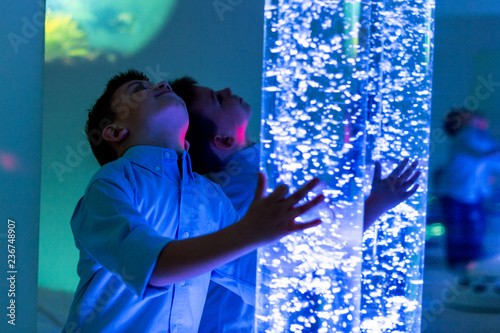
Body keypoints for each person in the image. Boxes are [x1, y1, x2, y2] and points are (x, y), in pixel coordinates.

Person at [62, 69, 326, 332]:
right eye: (138, 89)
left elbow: (256, 279)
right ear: (115, 131)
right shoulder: (111, 183)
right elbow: (153, 268)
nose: (162, 83)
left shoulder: (211, 197)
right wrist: (249, 232)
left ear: (187, 143)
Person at [171, 76, 421, 332]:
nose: (226, 88)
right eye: (218, 99)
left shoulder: (243, 177)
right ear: (223, 140)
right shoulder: (245, 189)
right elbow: (306, 258)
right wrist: (378, 203)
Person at [438, 107, 500, 270]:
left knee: (470, 226)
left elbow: (492, 158)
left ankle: (468, 262)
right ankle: (461, 262)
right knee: (460, 228)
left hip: (470, 193)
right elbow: (483, 155)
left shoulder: (478, 137)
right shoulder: (464, 137)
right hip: (456, 192)